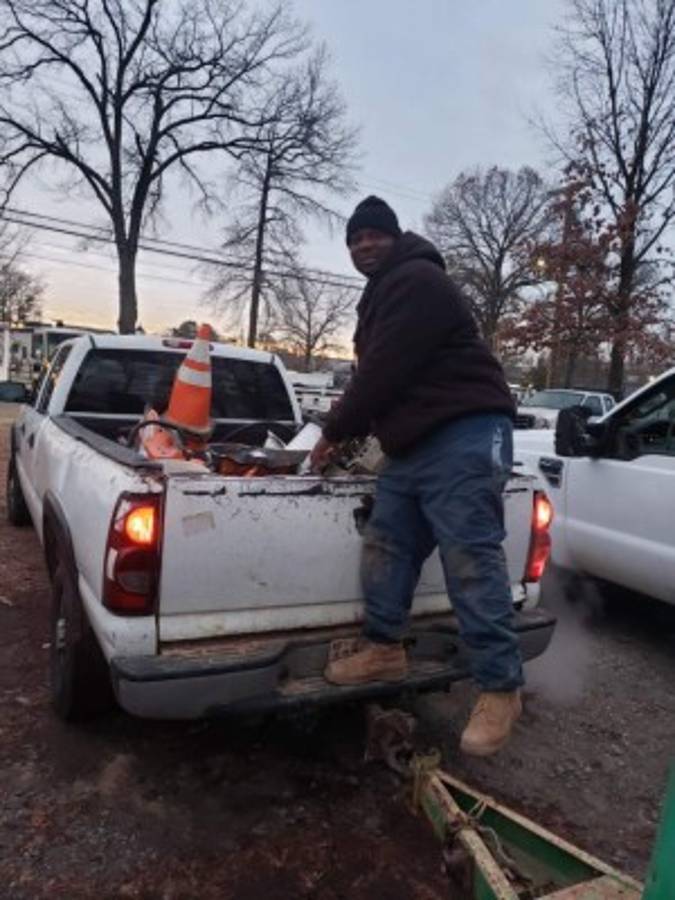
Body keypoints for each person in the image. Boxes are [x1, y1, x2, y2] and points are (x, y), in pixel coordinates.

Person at [310, 196, 522, 757]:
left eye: (373, 235)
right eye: (354, 241)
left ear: (395, 236)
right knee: (388, 541)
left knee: (469, 554)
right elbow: (387, 379)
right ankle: (384, 649)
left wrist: (333, 432)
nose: (363, 247)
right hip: (414, 444)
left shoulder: (417, 280)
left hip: (464, 431)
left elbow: (383, 372)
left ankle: (500, 688)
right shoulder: (380, 294)